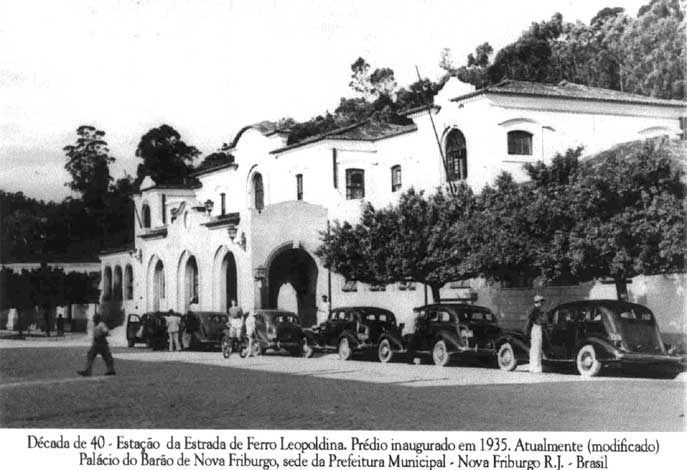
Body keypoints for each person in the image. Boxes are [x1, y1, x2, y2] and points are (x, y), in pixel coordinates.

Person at [525, 295, 547, 373]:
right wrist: (527, 332)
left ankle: (534, 366)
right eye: (541, 302)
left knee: (537, 348)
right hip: (536, 329)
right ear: (538, 302)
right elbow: (529, 321)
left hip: (537, 329)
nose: (542, 304)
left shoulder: (537, 310)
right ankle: (534, 367)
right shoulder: (534, 310)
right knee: (536, 348)